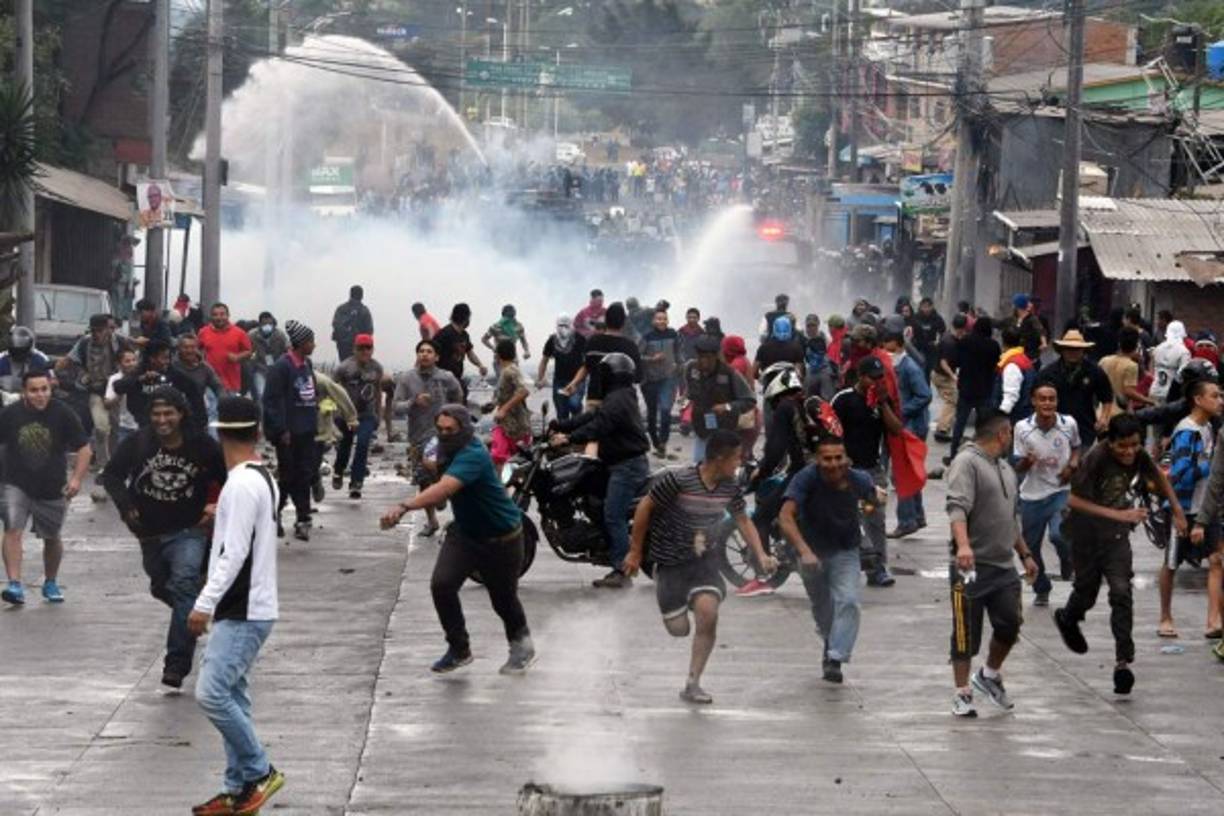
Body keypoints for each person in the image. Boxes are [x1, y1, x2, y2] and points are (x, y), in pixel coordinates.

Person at [380, 405, 535, 675]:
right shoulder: (441, 447)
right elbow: (431, 466)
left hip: (502, 538)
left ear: (464, 429)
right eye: (439, 430)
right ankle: (459, 649)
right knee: (442, 585)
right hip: (465, 533)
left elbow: (444, 489)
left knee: (503, 599)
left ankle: (522, 647)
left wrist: (405, 506)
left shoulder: (473, 454)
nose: (444, 435)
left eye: (450, 430)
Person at [623, 429, 775, 704]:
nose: (739, 464)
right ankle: (681, 605)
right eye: (736, 459)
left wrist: (761, 554)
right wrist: (634, 552)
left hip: (704, 561)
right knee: (679, 629)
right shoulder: (679, 480)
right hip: (669, 562)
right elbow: (645, 507)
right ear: (719, 458)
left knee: (708, 613)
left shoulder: (730, 487)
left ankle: (693, 683)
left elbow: (742, 520)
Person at [188, 396, 285, 816]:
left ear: (219, 433)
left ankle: (260, 771)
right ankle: (238, 789)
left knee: (210, 694)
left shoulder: (241, 484)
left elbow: (234, 553)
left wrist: (203, 603)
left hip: (242, 607)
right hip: (248, 606)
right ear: (258, 433)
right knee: (233, 697)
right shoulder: (259, 477)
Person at [99, 386, 226, 690]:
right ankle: (197, 612)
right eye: (156, 414)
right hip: (150, 533)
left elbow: (227, 478)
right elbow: (112, 476)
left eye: (168, 413)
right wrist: (126, 508)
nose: (162, 419)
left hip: (189, 530)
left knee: (184, 584)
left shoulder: (202, 445)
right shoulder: (138, 442)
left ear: (181, 414)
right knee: (161, 587)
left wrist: (216, 503)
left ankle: (176, 665)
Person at [1053, 414, 1186, 696]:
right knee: (1086, 592)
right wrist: (1120, 514)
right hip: (1085, 535)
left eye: (1134, 445)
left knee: (1121, 592)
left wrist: (1178, 511)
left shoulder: (1138, 455)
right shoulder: (1096, 458)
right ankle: (1067, 617)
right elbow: (1073, 499)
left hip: (1116, 537)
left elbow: (1160, 480)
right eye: (1122, 446)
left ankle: (1122, 662)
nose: (1128, 452)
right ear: (1110, 442)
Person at [946, 410, 1038, 717]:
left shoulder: (1005, 468)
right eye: (1009, 433)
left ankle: (988, 675)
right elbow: (957, 508)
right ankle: (962, 694)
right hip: (970, 567)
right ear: (1002, 434)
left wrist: (1025, 554)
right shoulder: (966, 463)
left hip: (1003, 565)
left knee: (1010, 624)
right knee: (964, 633)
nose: (1010, 438)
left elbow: (1011, 519)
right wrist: (963, 546)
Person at [780, 435, 880, 684]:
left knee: (848, 601)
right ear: (817, 459)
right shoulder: (806, 478)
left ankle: (835, 658)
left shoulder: (859, 479)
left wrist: (872, 502)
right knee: (822, 607)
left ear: (846, 458)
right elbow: (785, 516)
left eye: (839, 458)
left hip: (845, 550)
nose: (834, 464)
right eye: (827, 459)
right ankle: (829, 642)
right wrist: (804, 551)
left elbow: (873, 500)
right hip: (811, 552)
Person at [551, 353, 651, 588]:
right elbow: (593, 416)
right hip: (617, 462)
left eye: (603, 373)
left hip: (627, 466)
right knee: (592, 499)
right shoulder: (619, 396)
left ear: (612, 375)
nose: (600, 378)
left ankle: (621, 571)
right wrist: (561, 424)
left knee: (613, 514)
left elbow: (600, 425)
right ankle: (605, 545)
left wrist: (568, 438)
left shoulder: (619, 399)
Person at [0, 371, 91, 606]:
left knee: (51, 537)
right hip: (15, 483)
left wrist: (76, 480)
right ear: (24, 393)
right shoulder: (10, 414)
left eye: (44, 389)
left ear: (50, 389)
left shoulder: (63, 413)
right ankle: (14, 584)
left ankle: (50, 582)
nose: (40, 395)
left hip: (52, 486)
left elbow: (84, 449)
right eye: (34, 390)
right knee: (13, 529)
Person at [1159, 379, 1223, 638]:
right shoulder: (1188, 431)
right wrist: (1212, 468)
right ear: (1198, 399)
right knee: (1172, 563)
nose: (1220, 401)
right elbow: (1180, 472)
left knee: (1216, 560)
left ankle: (1213, 620)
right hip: (1183, 508)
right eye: (1215, 396)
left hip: (1207, 506)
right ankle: (1165, 616)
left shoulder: (1208, 428)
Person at [831, 356, 902, 587]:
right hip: (847, 471)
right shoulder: (843, 400)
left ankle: (878, 568)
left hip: (873, 471)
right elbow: (829, 432)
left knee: (876, 520)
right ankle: (847, 567)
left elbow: (896, 429)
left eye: (881, 377)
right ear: (861, 377)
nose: (878, 381)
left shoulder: (879, 401)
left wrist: (882, 404)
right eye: (873, 378)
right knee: (847, 519)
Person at [1013, 382, 1081, 606]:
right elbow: (1017, 466)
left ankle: (1067, 562)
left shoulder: (1068, 423)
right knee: (1031, 548)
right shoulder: (1022, 428)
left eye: (1052, 399)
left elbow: (1077, 448)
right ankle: (1042, 588)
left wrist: (1072, 465)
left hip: (1060, 490)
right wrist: (1027, 461)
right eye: (1042, 399)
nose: (1047, 403)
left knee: (1059, 535)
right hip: (1032, 496)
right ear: (1033, 401)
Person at [392, 340, 463, 538]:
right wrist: (414, 402)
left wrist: (455, 418)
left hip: (443, 436)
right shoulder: (407, 378)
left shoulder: (445, 377)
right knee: (423, 478)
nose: (424, 354)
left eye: (429, 351)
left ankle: (443, 494)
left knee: (441, 471)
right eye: (421, 351)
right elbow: (396, 406)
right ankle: (432, 521)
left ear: (436, 357)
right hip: (417, 435)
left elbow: (459, 396)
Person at [262, 321, 319, 541]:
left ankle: (303, 518)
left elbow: (311, 393)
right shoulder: (281, 367)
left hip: (306, 430)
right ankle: (274, 515)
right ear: (301, 343)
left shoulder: (307, 364)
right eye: (311, 341)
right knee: (287, 476)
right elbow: (272, 401)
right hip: (287, 433)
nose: (314, 345)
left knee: (304, 474)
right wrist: (281, 429)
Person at [59, 313, 129, 469]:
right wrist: (81, 375)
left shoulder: (118, 341)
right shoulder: (84, 343)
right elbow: (72, 360)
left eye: (100, 330)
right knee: (101, 427)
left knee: (115, 427)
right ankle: (103, 463)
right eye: (94, 330)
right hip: (96, 390)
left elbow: (132, 357)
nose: (97, 334)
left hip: (116, 389)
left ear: (107, 329)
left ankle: (113, 462)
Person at [882, 327, 931, 538]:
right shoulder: (895, 367)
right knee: (910, 473)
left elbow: (924, 395)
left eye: (889, 346)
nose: (886, 350)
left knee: (902, 474)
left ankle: (906, 521)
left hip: (910, 428)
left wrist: (902, 413)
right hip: (901, 426)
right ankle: (917, 516)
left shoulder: (909, 367)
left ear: (899, 345)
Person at [683, 335, 756, 462]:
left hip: (724, 430)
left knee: (722, 468)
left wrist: (727, 407)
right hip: (701, 427)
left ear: (716, 356)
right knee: (699, 463)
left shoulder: (730, 373)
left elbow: (749, 400)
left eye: (707, 357)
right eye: (700, 356)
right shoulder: (691, 369)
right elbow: (689, 394)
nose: (703, 361)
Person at [1037, 329, 1114, 448]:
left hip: (1084, 429)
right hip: (1053, 429)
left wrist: (1104, 418)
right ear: (1062, 350)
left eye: (1077, 349)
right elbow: (1035, 399)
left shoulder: (1094, 371)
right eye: (1069, 349)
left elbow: (1107, 397)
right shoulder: (1048, 373)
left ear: (1084, 350)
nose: (1073, 352)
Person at [112, 339, 207, 433]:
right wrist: (140, 380)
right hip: (145, 426)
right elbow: (118, 387)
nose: (167, 361)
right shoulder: (139, 372)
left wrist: (199, 423)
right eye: (164, 358)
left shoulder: (172, 373)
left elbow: (194, 391)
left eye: (168, 358)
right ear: (152, 358)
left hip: (171, 426)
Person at [331, 333, 384, 500]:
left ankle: (356, 482)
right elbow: (332, 389)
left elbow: (377, 390)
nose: (364, 352)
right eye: (361, 348)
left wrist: (378, 415)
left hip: (366, 414)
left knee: (362, 444)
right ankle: (338, 471)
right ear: (355, 349)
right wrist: (332, 414)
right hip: (346, 415)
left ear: (372, 349)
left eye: (368, 348)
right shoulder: (344, 368)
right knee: (345, 446)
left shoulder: (377, 368)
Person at [562, 302, 641, 409]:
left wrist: (574, 383)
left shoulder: (593, 342)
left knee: (592, 425)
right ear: (623, 323)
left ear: (606, 321)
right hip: (620, 403)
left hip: (595, 398)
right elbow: (638, 377)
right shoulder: (630, 347)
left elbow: (586, 367)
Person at [948, 316, 1000, 460]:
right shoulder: (993, 345)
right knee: (982, 425)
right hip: (984, 390)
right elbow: (995, 367)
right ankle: (981, 454)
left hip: (966, 388)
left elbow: (956, 361)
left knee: (960, 423)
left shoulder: (965, 341)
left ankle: (953, 453)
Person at [639, 308, 682, 457]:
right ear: (653, 321)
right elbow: (638, 356)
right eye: (658, 319)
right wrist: (652, 359)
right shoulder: (647, 337)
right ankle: (655, 441)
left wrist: (678, 364)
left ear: (668, 320)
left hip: (668, 379)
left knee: (665, 409)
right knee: (652, 413)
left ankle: (663, 441)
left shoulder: (673, 334)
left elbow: (678, 352)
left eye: (664, 318)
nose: (661, 321)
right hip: (650, 380)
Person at [490, 340, 532, 469]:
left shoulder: (510, 371)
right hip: (507, 423)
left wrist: (503, 409)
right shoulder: (506, 371)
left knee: (500, 456)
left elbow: (524, 391)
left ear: (497, 355)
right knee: (510, 458)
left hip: (513, 423)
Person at [537, 314, 587, 421]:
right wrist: (540, 378)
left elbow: (585, 364)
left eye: (566, 325)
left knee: (574, 404)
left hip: (577, 380)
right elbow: (544, 360)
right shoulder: (552, 341)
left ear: (571, 325)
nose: (563, 328)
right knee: (562, 411)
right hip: (559, 381)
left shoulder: (580, 339)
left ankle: (579, 422)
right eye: (560, 325)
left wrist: (575, 382)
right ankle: (564, 434)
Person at [433, 303, 487, 400]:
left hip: (456, 378)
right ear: (465, 317)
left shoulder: (464, 335)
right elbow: (431, 352)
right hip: (442, 380)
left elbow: (469, 352)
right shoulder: (444, 334)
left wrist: (480, 365)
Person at [197, 303, 253, 395]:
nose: (219, 317)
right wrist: (201, 361)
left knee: (229, 409)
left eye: (222, 314)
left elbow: (249, 352)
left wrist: (237, 357)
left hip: (231, 383)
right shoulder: (203, 332)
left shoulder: (239, 333)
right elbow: (196, 349)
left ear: (228, 315)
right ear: (211, 317)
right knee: (212, 409)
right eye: (215, 315)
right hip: (210, 383)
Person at [1099, 327, 1154, 416]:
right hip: (1120, 414)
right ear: (1136, 345)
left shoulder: (1104, 361)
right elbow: (1129, 391)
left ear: (1119, 343)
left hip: (1102, 411)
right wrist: (1149, 401)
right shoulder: (1131, 366)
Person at [932, 314, 966, 443]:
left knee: (951, 399)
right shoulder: (949, 342)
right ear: (961, 329)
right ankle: (942, 429)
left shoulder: (948, 336)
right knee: (951, 400)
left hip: (942, 375)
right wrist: (953, 376)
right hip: (942, 376)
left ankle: (944, 426)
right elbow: (943, 362)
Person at [994, 326, 1037, 424]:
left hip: (1015, 418)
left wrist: (999, 418)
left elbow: (1011, 395)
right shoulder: (1023, 359)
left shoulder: (1012, 364)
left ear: (1003, 342)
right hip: (1024, 414)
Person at [247, 312, 289, 404]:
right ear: (260, 324)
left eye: (270, 324)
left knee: (276, 396)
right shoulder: (252, 335)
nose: (267, 326)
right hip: (260, 369)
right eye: (264, 324)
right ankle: (262, 416)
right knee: (261, 394)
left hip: (276, 370)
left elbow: (287, 350)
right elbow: (248, 352)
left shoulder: (280, 335)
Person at [753, 316, 806, 388]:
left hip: (769, 387)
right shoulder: (796, 348)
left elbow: (754, 371)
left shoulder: (763, 348)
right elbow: (799, 372)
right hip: (790, 389)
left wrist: (762, 379)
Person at [104, 348, 140, 445]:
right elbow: (107, 404)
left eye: (134, 360)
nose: (132, 363)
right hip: (125, 427)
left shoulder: (142, 376)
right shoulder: (115, 379)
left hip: (143, 426)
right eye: (127, 361)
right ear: (119, 365)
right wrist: (120, 393)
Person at [1150, 320, 1191, 405]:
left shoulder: (1157, 348)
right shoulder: (1184, 352)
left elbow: (1152, 370)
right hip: (1171, 395)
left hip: (1154, 390)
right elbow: (1182, 375)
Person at [331, 285, 374, 362]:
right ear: (362, 296)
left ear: (350, 294)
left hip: (343, 345)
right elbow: (369, 330)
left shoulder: (341, 308)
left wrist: (344, 337)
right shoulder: (364, 310)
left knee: (345, 366)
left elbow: (336, 325)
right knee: (358, 368)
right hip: (360, 346)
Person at [910, 297, 946, 382]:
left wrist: (938, 341)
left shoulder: (937, 318)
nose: (926, 309)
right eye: (924, 306)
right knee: (919, 369)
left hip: (931, 347)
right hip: (918, 347)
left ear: (932, 307)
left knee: (929, 370)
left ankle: (927, 389)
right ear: (921, 307)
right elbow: (910, 332)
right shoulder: (916, 317)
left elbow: (943, 331)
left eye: (928, 306)